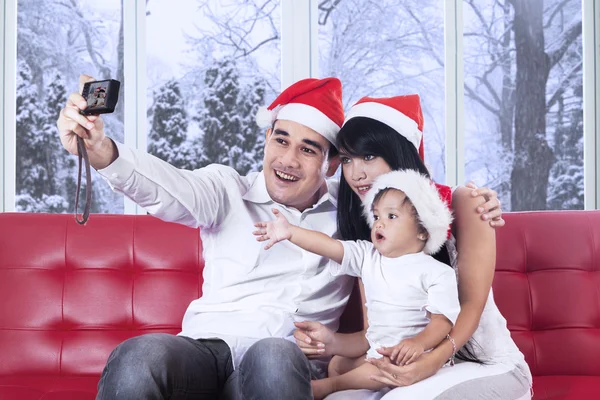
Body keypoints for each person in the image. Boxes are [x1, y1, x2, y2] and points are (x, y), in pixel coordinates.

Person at [56, 75, 505, 400]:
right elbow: (164, 185)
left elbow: (408, 195)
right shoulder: (224, 189)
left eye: (308, 149)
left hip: (282, 364)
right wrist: (103, 152)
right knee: (139, 355)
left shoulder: (358, 217)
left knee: (273, 355)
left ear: (330, 164)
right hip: (204, 353)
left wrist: (475, 201)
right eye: (281, 140)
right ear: (267, 138)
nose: (288, 159)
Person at [294, 95, 532, 400]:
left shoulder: (466, 203)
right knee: (339, 378)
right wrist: (332, 341)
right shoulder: (377, 230)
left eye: (368, 157)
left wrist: (429, 362)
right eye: (348, 159)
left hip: (485, 363)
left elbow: (470, 309)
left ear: (398, 153)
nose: (356, 173)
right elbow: (379, 333)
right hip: (415, 361)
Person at [254, 169, 461, 400]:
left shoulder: (436, 272)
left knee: (376, 367)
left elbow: (442, 322)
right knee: (338, 363)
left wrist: (418, 344)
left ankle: (330, 386)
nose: (379, 224)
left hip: (411, 355)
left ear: (423, 230)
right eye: (376, 216)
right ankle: (340, 379)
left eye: (391, 217)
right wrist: (290, 232)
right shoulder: (368, 256)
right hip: (376, 349)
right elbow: (329, 246)